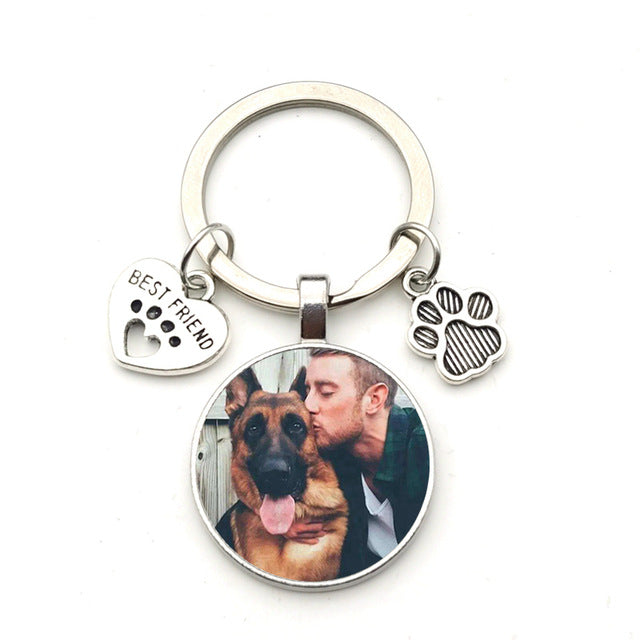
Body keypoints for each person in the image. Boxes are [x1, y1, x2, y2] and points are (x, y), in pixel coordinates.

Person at [286, 348, 430, 577]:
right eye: (307, 391)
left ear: (374, 399)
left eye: (325, 392)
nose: (308, 405)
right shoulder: (331, 457)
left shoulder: (428, 451)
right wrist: (278, 522)